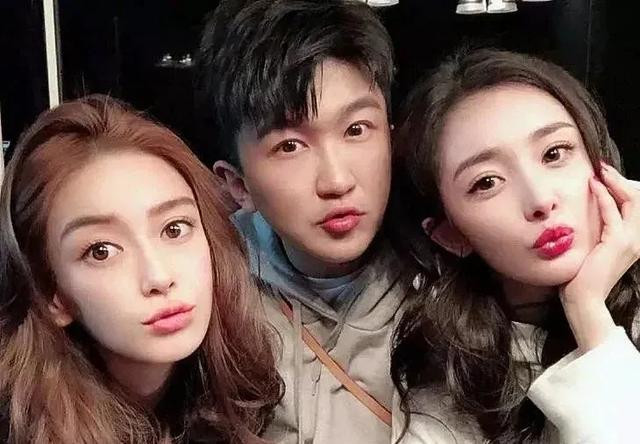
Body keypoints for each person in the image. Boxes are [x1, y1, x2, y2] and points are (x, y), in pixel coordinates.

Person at [390, 48, 640, 444]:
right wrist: (587, 309)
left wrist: (588, 314)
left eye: (554, 154)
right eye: (487, 182)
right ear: (450, 235)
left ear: (601, 161)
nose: (540, 199)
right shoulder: (445, 398)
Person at [0, 94, 281, 443]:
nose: (159, 277)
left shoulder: (234, 393)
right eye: (101, 251)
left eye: (174, 229)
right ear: (51, 294)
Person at [194, 1, 407, 443]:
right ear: (238, 184)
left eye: (356, 130)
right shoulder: (210, 300)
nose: (337, 181)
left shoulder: (449, 285)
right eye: (289, 146)